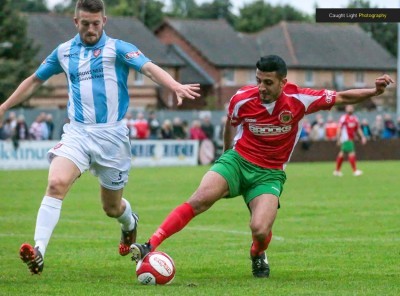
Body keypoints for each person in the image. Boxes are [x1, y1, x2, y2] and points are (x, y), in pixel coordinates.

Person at [129, 55, 394, 278]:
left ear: (283, 82)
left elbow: (342, 97)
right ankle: (150, 244)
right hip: (238, 160)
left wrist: (374, 92)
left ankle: (257, 253)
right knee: (199, 199)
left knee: (260, 229)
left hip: (269, 173)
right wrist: (224, 155)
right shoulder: (242, 98)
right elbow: (230, 123)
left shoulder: (299, 99)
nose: (262, 87)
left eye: (268, 82)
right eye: (258, 80)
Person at [0, 0, 200, 275]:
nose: (91, 29)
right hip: (78, 133)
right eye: (85, 24)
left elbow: (149, 68)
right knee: (56, 183)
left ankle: (129, 223)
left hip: (112, 138)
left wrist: (174, 85)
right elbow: (35, 80)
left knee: (111, 207)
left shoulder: (118, 48)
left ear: (104, 21)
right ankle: (39, 251)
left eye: (96, 23)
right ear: (76, 23)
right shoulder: (64, 52)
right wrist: (4, 106)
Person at [333, 105, 366, 177]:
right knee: (351, 152)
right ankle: (355, 171)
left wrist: (362, 137)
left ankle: (337, 171)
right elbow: (339, 128)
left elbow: (358, 128)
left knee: (342, 153)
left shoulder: (355, 118)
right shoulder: (343, 118)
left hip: (350, 138)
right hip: (346, 138)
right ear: (346, 109)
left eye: (351, 107)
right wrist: (338, 139)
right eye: (348, 107)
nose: (350, 109)